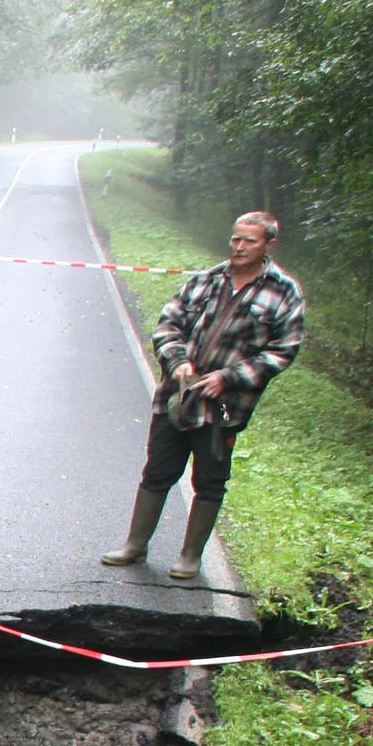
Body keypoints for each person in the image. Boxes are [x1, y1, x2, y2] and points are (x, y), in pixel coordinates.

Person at [102, 211, 306, 579]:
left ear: (269, 245)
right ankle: (135, 545)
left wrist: (228, 378)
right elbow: (168, 324)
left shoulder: (284, 291)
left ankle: (190, 556)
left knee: (210, 481)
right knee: (158, 471)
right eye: (236, 239)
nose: (239, 247)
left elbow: (283, 350)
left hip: (225, 407)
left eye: (250, 241)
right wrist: (177, 361)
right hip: (176, 399)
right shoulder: (206, 279)